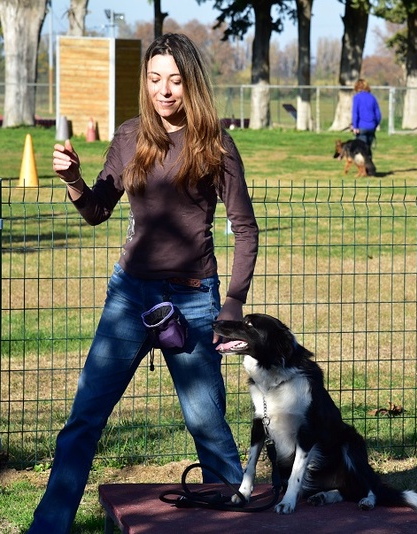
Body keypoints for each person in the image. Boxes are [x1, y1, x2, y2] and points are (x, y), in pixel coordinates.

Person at [28, 33, 259, 533]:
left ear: (191, 83)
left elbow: (245, 229)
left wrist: (232, 305)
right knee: (83, 420)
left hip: (194, 300)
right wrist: (73, 179)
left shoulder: (215, 142)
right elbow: (96, 210)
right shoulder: (130, 136)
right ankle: (48, 527)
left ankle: (237, 524)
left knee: (209, 429)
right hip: (129, 297)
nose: (165, 90)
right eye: (155, 79)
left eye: (175, 80)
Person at [351, 78, 381, 156]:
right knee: (368, 149)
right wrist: (375, 124)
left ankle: (364, 167)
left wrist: (355, 126)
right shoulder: (372, 97)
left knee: (362, 151)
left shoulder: (357, 97)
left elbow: (355, 113)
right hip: (371, 127)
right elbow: (378, 114)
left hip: (361, 127)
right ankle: (370, 167)